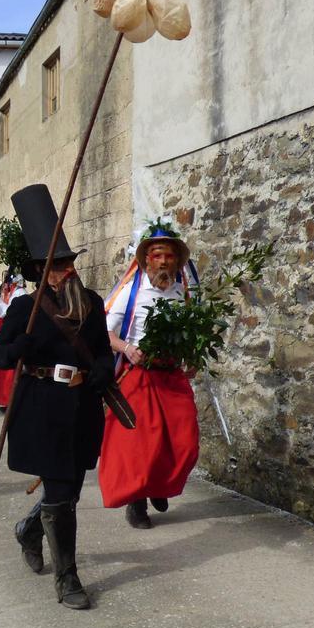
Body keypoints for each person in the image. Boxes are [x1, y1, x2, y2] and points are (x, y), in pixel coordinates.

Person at [0, 184, 113, 610]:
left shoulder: (91, 304)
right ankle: (68, 579)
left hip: (81, 410)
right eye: (57, 265)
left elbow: (101, 351)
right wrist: (18, 349)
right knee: (61, 496)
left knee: (69, 493)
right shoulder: (24, 309)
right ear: (41, 270)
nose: (66, 270)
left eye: (68, 263)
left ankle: (29, 529)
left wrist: (102, 369)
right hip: (41, 408)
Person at [99, 225, 201, 528]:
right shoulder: (131, 292)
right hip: (139, 376)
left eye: (170, 256)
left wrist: (193, 356)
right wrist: (127, 348)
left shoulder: (183, 293)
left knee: (185, 442)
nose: (164, 262)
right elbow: (104, 333)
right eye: (158, 256)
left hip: (171, 377)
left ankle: (160, 485)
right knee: (141, 445)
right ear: (146, 260)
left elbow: (194, 331)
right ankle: (137, 504)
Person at [0, 270, 26, 411]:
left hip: (14, 337)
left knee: (10, 375)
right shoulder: (11, 293)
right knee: (3, 374)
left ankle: (11, 402)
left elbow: (11, 312)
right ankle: (6, 401)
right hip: (6, 336)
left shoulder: (20, 293)